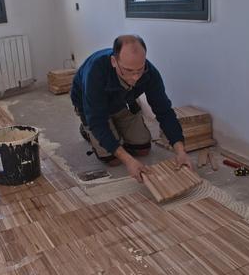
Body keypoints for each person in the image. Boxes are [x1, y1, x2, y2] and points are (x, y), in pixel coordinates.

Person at [70, 35, 192, 182]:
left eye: (139, 70)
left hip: (120, 103)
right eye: (128, 71)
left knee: (143, 149)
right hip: (90, 108)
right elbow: (97, 120)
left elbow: (164, 111)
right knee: (113, 160)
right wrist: (128, 160)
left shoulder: (150, 72)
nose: (135, 77)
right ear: (114, 61)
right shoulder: (95, 71)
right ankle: (87, 130)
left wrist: (180, 151)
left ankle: (115, 128)